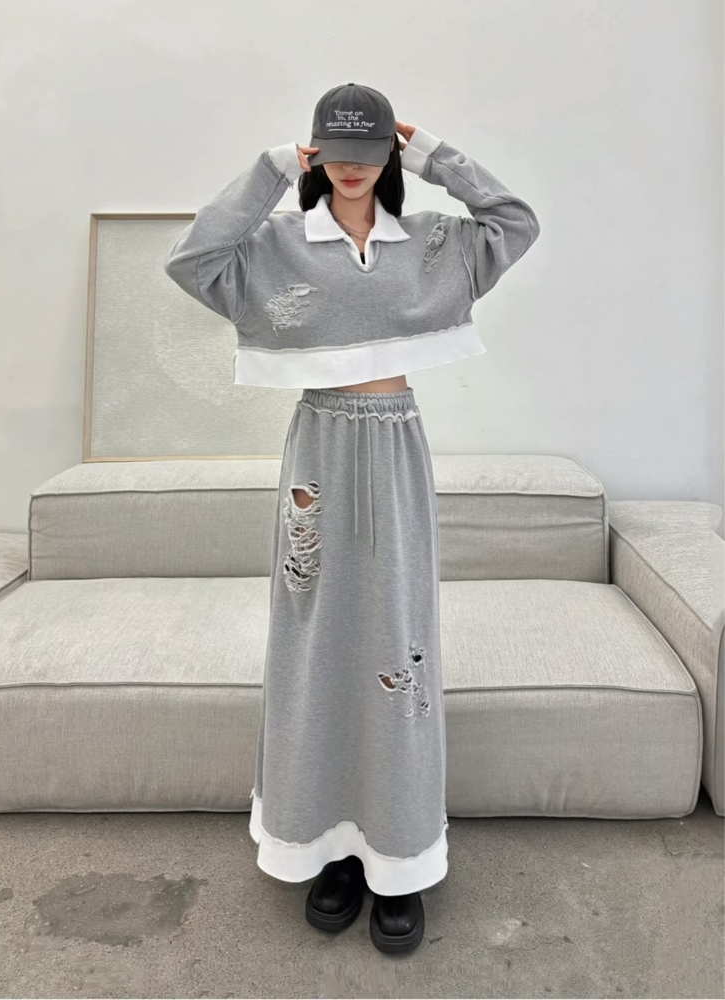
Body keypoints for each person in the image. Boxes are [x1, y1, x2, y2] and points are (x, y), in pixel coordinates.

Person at [164, 82, 540, 955]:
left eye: (368, 151)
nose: (352, 166)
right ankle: (327, 848)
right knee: (315, 646)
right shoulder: (279, 245)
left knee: (396, 639)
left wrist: (435, 151)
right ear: (314, 153)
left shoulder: (434, 245)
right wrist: (270, 169)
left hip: (396, 445)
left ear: (389, 155)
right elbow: (191, 261)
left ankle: (398, 859)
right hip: (319, 455)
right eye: (335, 151)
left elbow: (515, 221)